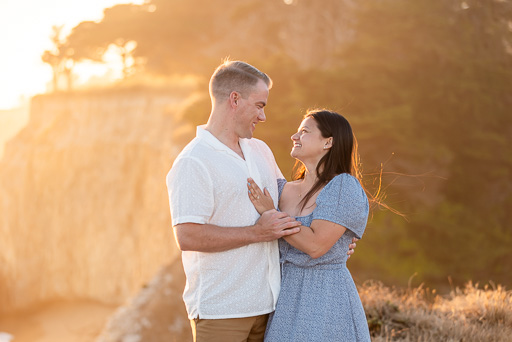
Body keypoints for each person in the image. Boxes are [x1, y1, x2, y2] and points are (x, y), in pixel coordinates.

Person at [166, 60, 357, 342]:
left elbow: (292, 205)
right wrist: (257, 233)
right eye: (259, 105)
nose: (263, 116)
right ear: (234, 99)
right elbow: (188, 236)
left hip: (272, 309)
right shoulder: (194, 161)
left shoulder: (260, 150)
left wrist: (336, 244)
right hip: (223, 310)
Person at [247, 109, 371, 341]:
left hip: (325, 297)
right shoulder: (282, 189)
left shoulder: (343, 186)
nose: (294, 136)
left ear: (328, 142)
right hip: (283, 295)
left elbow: (315, 246)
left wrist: (271, 213)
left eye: (304, 131)